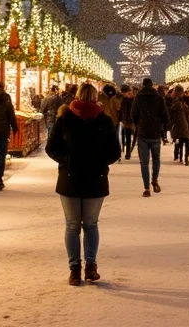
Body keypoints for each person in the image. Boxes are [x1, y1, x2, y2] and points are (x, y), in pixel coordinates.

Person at [45, 83, 121, 286]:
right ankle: (90, 266)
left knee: (72, 226)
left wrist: (65, 160)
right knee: (90, 224)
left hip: (70, 177)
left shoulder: (65, 119)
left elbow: (51, 147)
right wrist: (100, 162)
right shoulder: (104, 121)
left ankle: (75, 269)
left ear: (76, 96)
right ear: (97, 97)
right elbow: (115, 151)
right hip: (95, 178)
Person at [132, 77, 170, 197]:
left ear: (143, 85)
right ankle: (155, 179)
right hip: (155, 132)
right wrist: (162, 126)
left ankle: (146, 187)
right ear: (152, 85)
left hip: (143, 132)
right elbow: (165, 115)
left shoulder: (138, 98)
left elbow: (133, 114)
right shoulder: (159, 98)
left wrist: (139, 123)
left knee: (144, 162)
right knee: (156, 159)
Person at [169, 86, 189, 165]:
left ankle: (181, 157)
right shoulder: (181, 102)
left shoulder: (174, 100)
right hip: (184, 124)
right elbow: (188, 114)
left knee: (180, 141)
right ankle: (185, 158)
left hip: (178, 125)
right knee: (187, 141)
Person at [118, 84, 135, 159]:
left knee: (128, 136)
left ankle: (128, 152)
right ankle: (125, 150)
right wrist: (120, 119)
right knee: (125, 135)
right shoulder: (123, 99)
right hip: (125, 120)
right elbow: (121, 110)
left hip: (130, 120)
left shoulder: (133, 99)